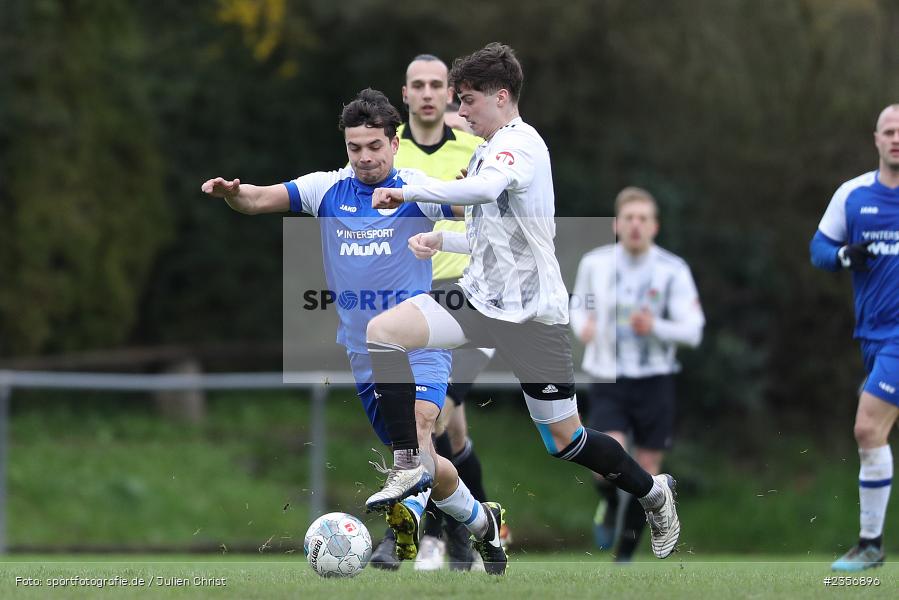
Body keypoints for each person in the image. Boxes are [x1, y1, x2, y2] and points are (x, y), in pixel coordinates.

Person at [362, 43, 681, 575]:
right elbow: (493, 236)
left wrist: (412, 189)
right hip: (477, 300)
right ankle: (408, 465)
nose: (460, 113)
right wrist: (443, 240)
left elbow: (486, 191)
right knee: (384, 332)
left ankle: (654, 493)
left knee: (566, 440)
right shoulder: (488, 145)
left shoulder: (521, 145)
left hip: (533, 318)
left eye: (467, 102)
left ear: (501, 96)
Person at [200, 88, 495, 565]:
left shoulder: (417, 188)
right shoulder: (326, 189)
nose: (364, 157)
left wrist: (470, 195)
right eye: (355, 148)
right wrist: (234, 194)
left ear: (394, 144)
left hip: (421, 341)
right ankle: (481, 520)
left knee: (421, 431)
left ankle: (399, 540)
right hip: (364, 353)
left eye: (374, 147)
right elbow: (258, 200)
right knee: (428, 464)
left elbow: (472, 214)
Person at [368, 53, 492, 572]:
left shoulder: (480, 147)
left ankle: (415, 535)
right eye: (416, 84)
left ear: (449, 95)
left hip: (471, 295)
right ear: (404, 93)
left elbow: (502, 205)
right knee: (448, 429)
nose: (426, 93)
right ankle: (469, 527)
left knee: (434, 417)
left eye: (436, 85)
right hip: (414, 299)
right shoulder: (388, 154)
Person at [569, 187, 704, 562]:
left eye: (643, 219)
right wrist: (584, 327)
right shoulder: (595, 263)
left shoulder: (672, 270)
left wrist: (657, 326)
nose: (635, 226)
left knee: (648, 474)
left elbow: (693, 330)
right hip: (608, 377)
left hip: (656, 380)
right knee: (604, 464)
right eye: (628, 218)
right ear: (616, 224)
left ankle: (623, 558)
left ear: (655, 226)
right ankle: (609, 502)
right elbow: (577, 307)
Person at [810, 103, 899, 572]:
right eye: (889, 131)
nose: (896, 138)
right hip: (872, 336)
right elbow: (818, 248)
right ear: (876, 139)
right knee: (876, 434)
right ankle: (871, 544)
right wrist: (845, 255)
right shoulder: (853, 194)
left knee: (867, 427)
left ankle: (869, 544)